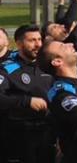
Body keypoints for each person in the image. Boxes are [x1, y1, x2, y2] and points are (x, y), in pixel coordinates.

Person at [0, 25, 55, 163]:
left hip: (48, 133)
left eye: (39, 39)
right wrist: (26, 101)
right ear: (19, 43)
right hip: (19, 136)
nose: (38, 44)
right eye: (32, 40)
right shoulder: (7, 69)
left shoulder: (49, 65)